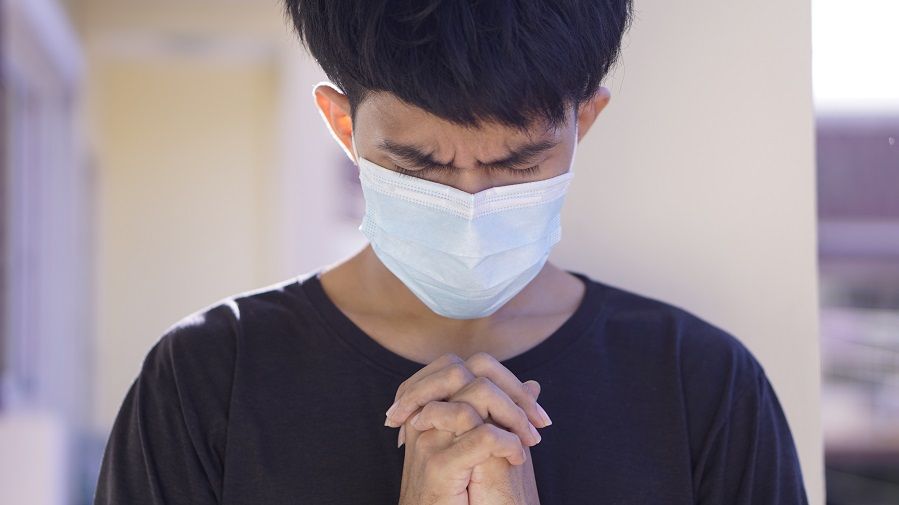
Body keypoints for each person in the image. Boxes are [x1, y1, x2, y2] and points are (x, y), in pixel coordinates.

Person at [93, 1, 809, 504]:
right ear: (341, 124)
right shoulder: (206, 377)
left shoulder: (701, 386)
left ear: (583, 119)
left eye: (516, 166)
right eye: (420, 167)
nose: (470, 202)